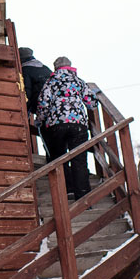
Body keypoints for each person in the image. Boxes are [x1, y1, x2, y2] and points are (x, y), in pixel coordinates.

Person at [36, 56, 97, 200]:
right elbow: (91, 102)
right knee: (80, 159)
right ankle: (83, 195)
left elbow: (43, 104)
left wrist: (39, 120)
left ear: (55, 68)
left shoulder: (50, 82)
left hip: (56, 126)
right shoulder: (78, 81)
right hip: (78, 125)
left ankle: (66, 190)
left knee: (60, 158)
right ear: (70, 66)